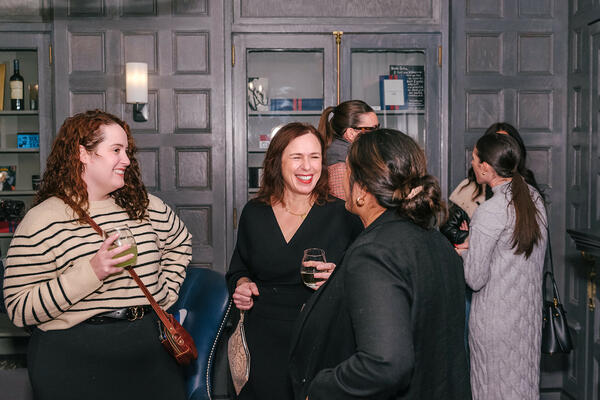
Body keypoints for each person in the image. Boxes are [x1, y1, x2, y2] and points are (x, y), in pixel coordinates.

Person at [2, 110, 192, 400]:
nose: (126, 160)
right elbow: (19, 308)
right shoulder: (42, 220)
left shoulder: (146, 206)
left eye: (127, 151)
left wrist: (163, 293)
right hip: (72, 359)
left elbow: (180, 243)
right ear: (83, 154)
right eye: (116, 150)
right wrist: (93, 271)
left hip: (150, 353)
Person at [289, 129, 471, 400]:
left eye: (348, 171)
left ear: (362, 189)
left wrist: (319, 390)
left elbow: (386, 363)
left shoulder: (374, 252)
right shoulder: (434, 240)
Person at [227, 122, 362, 400]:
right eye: (297, 157)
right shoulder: (255, 212)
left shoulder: (342, 214)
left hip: (320, 337)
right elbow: (238, 268)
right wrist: (241, 285)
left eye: (314, 157)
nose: (307, 167)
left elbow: (364, 278)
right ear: (277, 161)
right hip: (263, 338)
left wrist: (337, 276)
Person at [458, 133, 547, 399]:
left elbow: (475, 278)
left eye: (474, 158)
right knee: (524, 390)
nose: (472, 163)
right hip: (527, 318)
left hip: (495, 321)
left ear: (486, 167)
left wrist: (464, 253)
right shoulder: (534, 199)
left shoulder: (490, 210)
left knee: (491, 391)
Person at [317, 100, 379, 200]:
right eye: (371, 129)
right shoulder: (340, 166)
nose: (377, 134)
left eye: (377, 128)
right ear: (351, 133)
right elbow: (345, 210)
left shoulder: (348, 154)